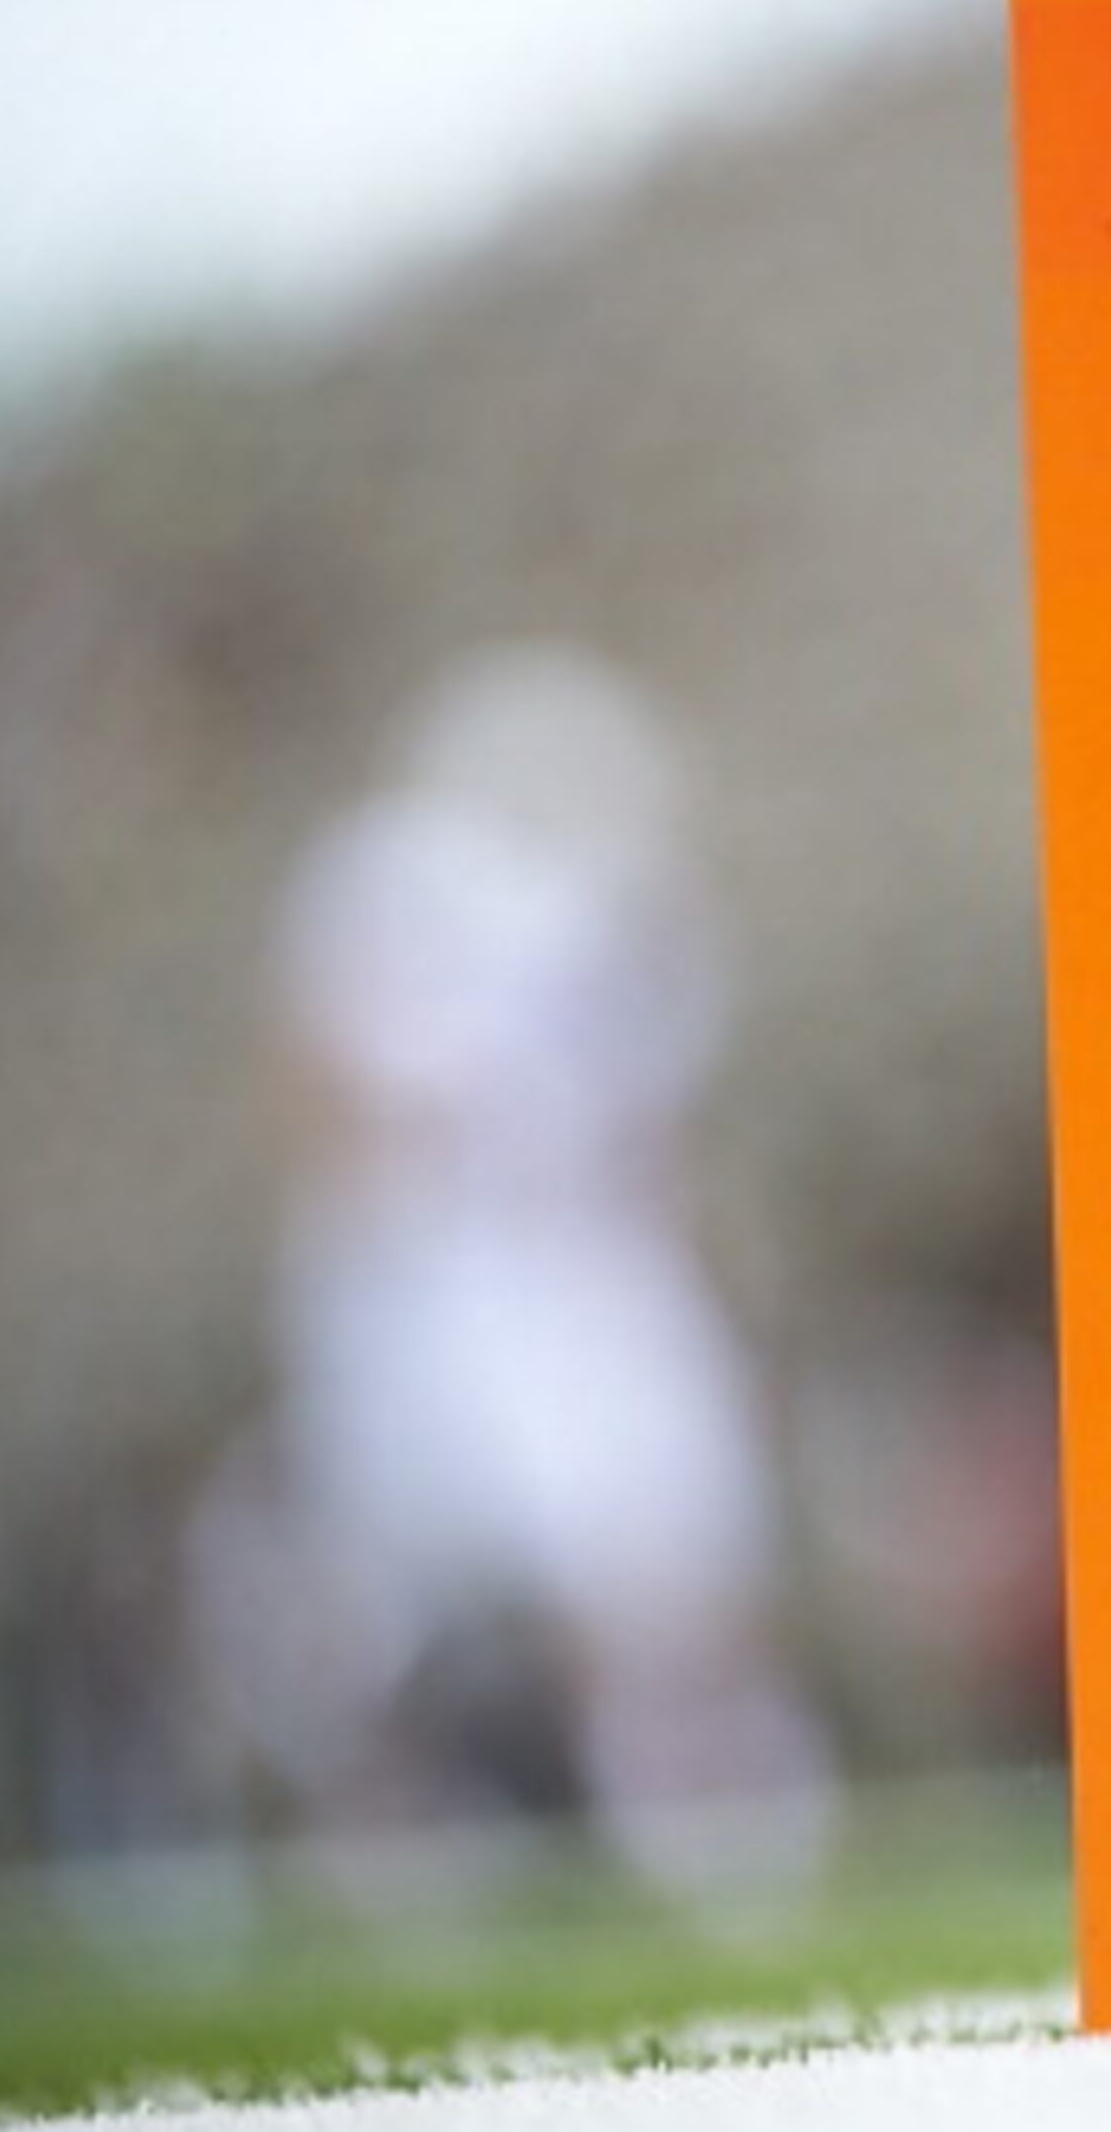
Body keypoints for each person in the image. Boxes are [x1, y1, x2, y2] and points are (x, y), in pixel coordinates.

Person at [223, 643, 830, 1904]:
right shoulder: (392, 883)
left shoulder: (630, 908)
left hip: (583, 1268)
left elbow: (649, 1130)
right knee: (402, 1581)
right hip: (429, 1275)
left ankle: (710, 1812)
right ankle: (395, 1833)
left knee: (667, 1548)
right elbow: (327, 1093)